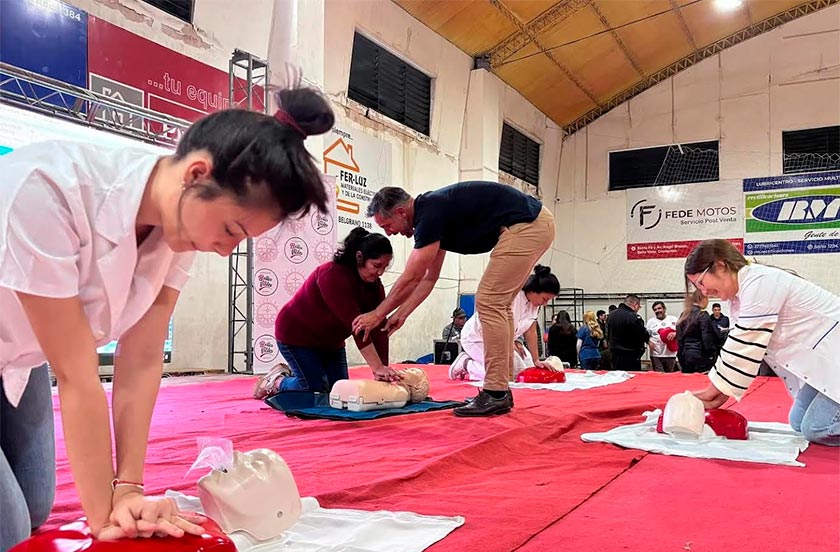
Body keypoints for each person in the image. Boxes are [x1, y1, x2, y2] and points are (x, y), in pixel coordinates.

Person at [0, 85, 334, 551]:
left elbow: (140, 359)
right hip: (32, 347)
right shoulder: (47, 191)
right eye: (231, 230)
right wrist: (105, 520)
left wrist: (128, 489)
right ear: (197, 174)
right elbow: (77, 374)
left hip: (20, 350)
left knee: (37, 506)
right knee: (10, 526)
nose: (225, 250)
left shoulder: (179, 221)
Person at [353, 182, 555, 417]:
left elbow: (412, 276)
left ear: (401, 212)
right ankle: (500, 389)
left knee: (490, 301)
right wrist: (401, 314)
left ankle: (496, 392)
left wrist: (377, 314)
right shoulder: (433, 214)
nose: (389, 233)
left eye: (387, 226)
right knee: (497, 304)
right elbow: (429, 278)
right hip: (535, 223)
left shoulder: (428, 213)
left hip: (528, 225)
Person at [686, 239, 840, 446]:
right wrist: (717, 394)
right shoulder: (738, 299)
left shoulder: (760, 282)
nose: (703, 292)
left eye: (701, 283)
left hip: (833, 356)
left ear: (720, 266)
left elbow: (744, 346)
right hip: (826, 363)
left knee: (816, 428)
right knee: (798, 422)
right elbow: (738, 347)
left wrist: (711, 394)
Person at [254, 228, 400, 401]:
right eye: (376, 266)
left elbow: (378, 328)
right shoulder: (332, 274)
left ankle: (303, 372)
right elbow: (357, 326)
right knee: (314, 390)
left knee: (339, 392)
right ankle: (277, 381)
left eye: (384, 267)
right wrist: (377, 368)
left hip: (331, 343)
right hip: (296, 336)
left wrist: (383, 370)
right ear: (359, 257)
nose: (380, 273)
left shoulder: (375, 287)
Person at [448, 265, 559, 381]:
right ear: (533, 291)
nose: (545, 304)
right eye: (545, 299)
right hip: (477, 338)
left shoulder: (535, 305)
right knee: (505, 374)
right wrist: (509, 346)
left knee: (528, 370)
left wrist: (536, 359)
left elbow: (531, 331)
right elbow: (498, 326)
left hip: (505, 340)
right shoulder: (511, 297)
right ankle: (465, 363)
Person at [675, 291, 718, 373]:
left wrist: (680, 354)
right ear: (703, 299)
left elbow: (679, 337)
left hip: (685, 354)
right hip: (700, 355)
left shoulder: (683, 314)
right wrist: (712, 354)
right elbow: (707, 338)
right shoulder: (702, 315)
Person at [606, 295, 649, 372]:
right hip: (630, 355)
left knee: (617, 376)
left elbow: (607, 333)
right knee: (631, 377)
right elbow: (641, 334)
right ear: (635, 305)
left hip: (614, 354)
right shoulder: (633, 317)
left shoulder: (611, 315)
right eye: (639, 307)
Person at [645, 301, 678, 373]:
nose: (657, 311)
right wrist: (649, 342)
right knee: (659, 375)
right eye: (655, 309)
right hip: (656, 354)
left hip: (670, 354)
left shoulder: (674, 319)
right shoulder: (651, 322)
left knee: (669, 375)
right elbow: (646, 335)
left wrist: (675, 333)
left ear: (664, 309)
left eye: (659, 308)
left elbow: (682, 332)